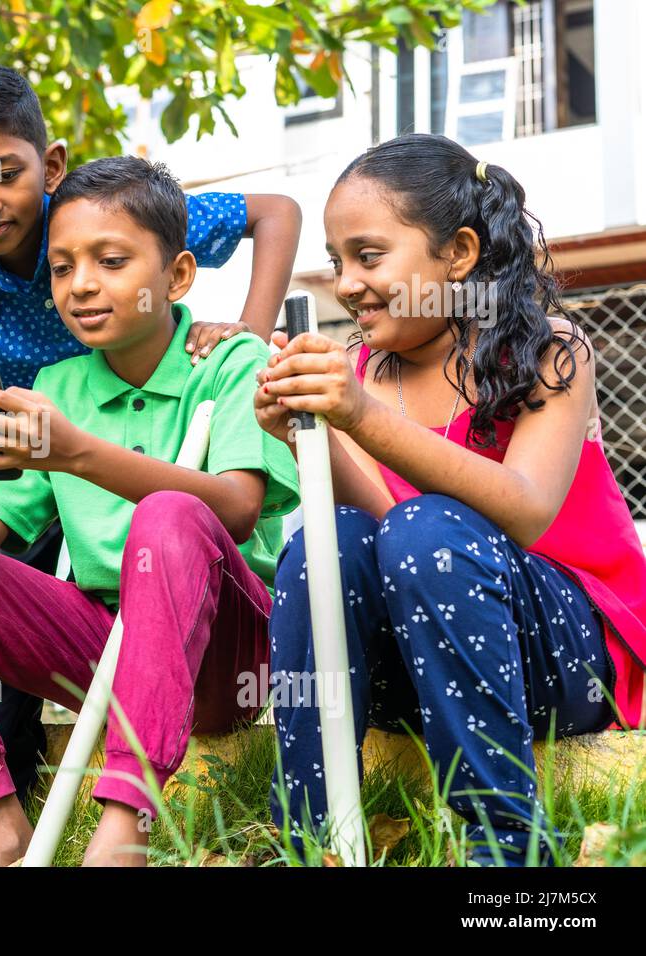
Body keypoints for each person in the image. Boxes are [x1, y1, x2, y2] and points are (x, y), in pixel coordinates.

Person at [0, 157, 299, 866]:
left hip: (227, 654)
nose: (82, 285)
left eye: (111, 260)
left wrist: (76, 454)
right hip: (107, 651)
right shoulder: (58, 384)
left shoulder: (231, 361)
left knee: (171, 514)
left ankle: (124, 832)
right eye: (63, 269)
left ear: (178, 276)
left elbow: (239, 511)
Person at [256, 133, 646, 865]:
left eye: (369, 256)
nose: (345, 284)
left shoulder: (547, 352)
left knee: (427, 525)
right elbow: (379, 538)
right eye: (338, 262)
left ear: (459, 254)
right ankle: (306, 839)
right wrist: (306, 440)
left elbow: (525, 510)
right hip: (422, 652)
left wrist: (360, 420)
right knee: (329, 540)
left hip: (560, 656)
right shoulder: (356, 374)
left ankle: (507, 848)